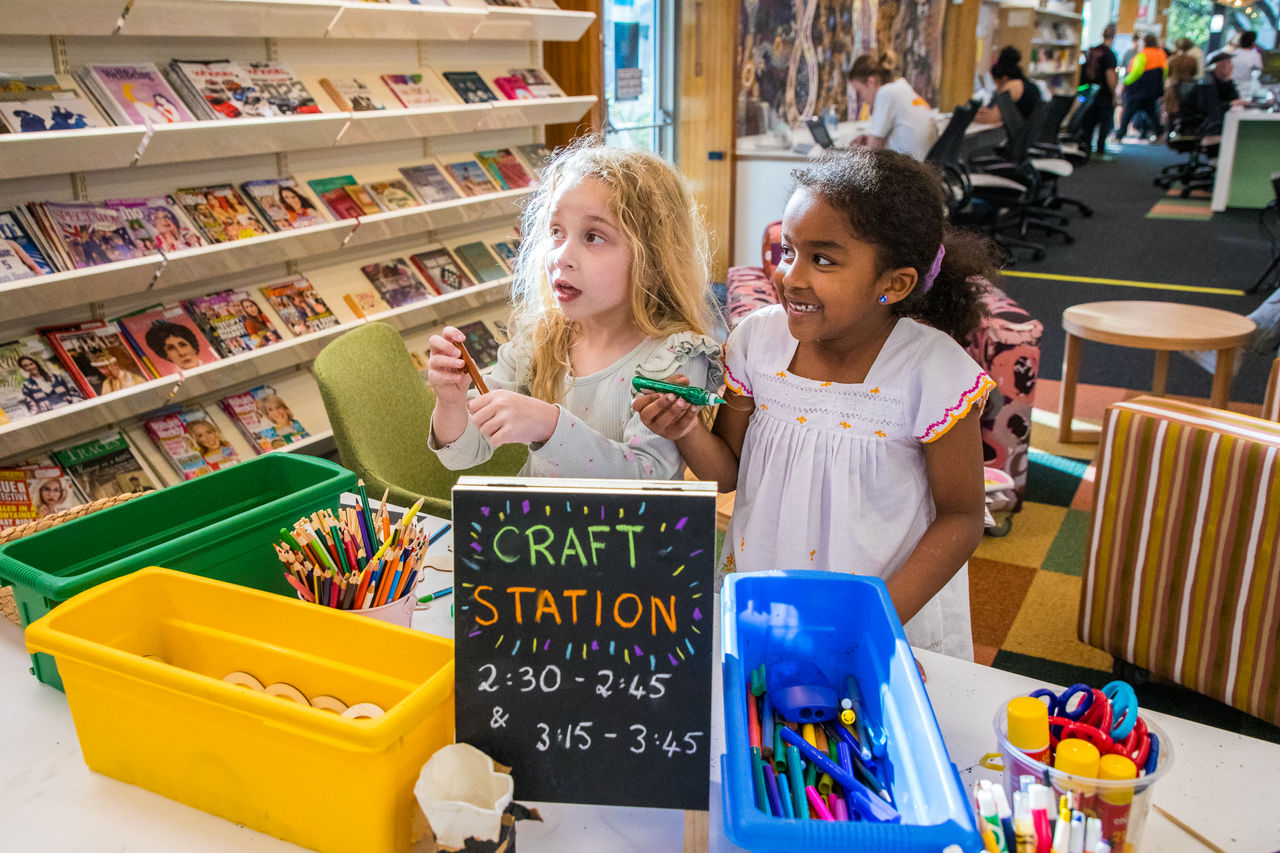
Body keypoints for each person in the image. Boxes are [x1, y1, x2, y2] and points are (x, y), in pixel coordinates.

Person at [633, 148, 996, 659]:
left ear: (893, 284)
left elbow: (961, 517)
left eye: (822, 259)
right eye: (787, 251)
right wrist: (685, 430)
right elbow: (727, 476)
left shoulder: (933, 372)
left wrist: (876, 620)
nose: (790, 276)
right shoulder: (756, 342)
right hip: (770, 594)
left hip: (882, 614)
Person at [428, 138, 723, 480]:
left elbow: (649, 477)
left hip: (623, 534)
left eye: (593, 236)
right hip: (539, 532)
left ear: (652, 259)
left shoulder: (672, 355)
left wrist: (549, 426)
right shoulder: (541, 339)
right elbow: (463, 454)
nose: (561, 257)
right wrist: (451, 403)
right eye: (556, 232)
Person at [847, 50, 936, 160]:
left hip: (909, 170)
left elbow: (873, 150)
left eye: (860, 92)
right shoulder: (901, 88)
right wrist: (868, 139)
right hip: (924, 166)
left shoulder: (886, 93)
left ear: (871, 82)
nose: (863, 99)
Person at [1079, 23, 1120, 158]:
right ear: (1113, 37)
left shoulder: (1092, 50)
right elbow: (1110, 75)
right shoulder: (1109, 55)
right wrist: (1114, 94)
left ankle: (1086, 149)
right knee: (1105, 121)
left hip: (1088, 90)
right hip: (1103, 92)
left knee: (1089, 121)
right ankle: (1100, 150)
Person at [1116, 33, 1167, 142]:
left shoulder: (1142, 55)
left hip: (1137, 90)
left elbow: (1136, 73)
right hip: (1153, 91)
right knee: (1153, 114)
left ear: (1144, 43)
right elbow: (1165, 72)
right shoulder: (1161, 54)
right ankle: (1159, 135)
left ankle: (1119, 136)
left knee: (1127, 113)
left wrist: (1125, 81)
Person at [974, 46, 1042, 124]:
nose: (997, 88)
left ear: (1004, 78)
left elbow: (991, 119)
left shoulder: (1012, 86)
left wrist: (969, 116)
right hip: (1034, 133)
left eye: (997, 83)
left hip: (1024, 133)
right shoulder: (1029, 85)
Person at [18, 354, 83, 414]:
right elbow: (31, 406)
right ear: (24, 369)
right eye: (26, 366)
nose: (30, 367)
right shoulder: (27, 386)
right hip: (50, 414)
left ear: (36, 364)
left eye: (31, 364)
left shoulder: (56, 377)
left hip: (69, 409)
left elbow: (71, 391)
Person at [1232, 31, 1264, 95]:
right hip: (1248, 89)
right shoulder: (1254, 55)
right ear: (1253, 42)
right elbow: (1260, 70)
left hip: (1233, 86)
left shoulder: (1234, 53)